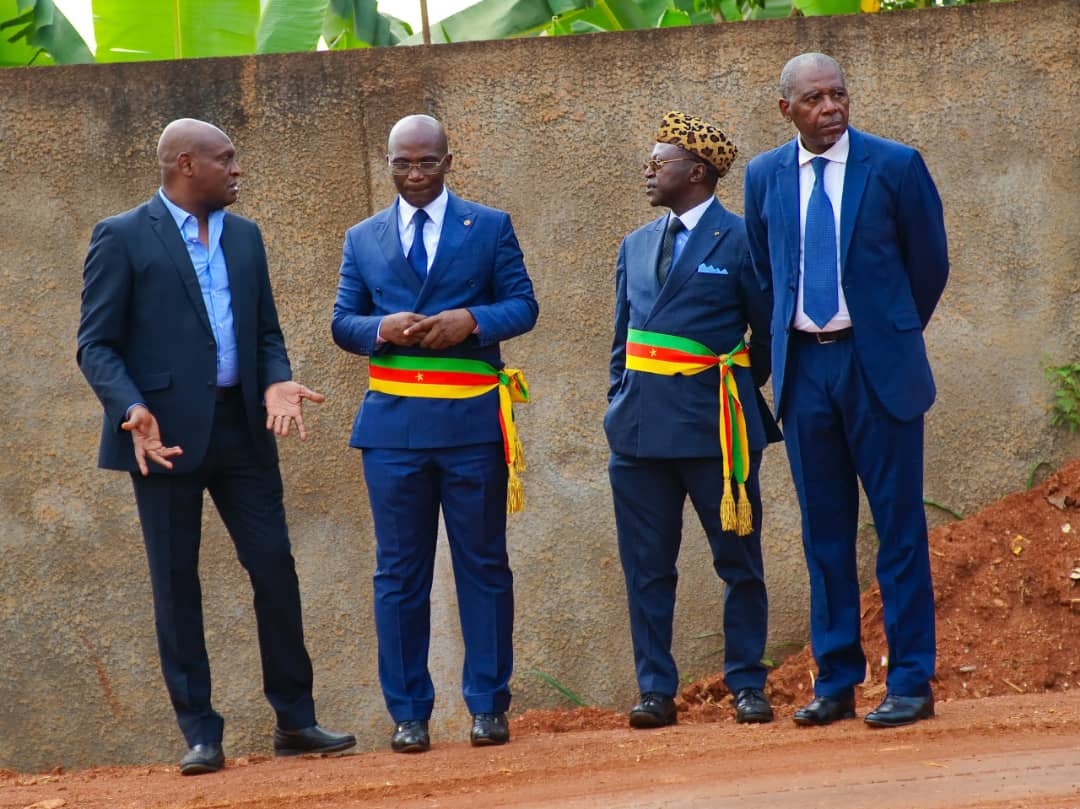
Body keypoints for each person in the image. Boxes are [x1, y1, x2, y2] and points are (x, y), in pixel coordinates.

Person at [77, 119, 355, 775]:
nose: (237, 169)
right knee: (176, 583)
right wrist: (133, 409)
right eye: (225, 159)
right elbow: (96, 344)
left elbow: (266, 332)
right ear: (184, 164)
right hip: (162, 438)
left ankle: (295, 719)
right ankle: (201, 732)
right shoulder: (122, 235)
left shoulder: (246, 236)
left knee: (274, 568)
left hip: (242, 432)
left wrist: (277, 379)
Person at [743, 53, 949, 728]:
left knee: (898, 529)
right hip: (805, 371)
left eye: (838, 94)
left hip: (876, 367)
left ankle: (911, 680)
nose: (830, 107)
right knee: (824, 534)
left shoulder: (895, 165)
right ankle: (835, 680)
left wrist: (889, 333)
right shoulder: (764, 175)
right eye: (814, 99)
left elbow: (929, 264)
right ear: (786, 110)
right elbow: (765, 271)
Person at [332, 114, 538, 753]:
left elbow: (523, 305)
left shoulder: (489, 226)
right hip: (393, 429)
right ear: (388, 164)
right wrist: (380, 329)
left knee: (483, 564)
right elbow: (342, 322)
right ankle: (408, 715)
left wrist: (471, 320)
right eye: (403, 163)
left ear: (448, 162)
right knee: (398, 573)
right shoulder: (363, 237)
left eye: (426, 162)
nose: (415, 174)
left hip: (471, 423)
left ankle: (488, 705)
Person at [605, 111, 782, 729]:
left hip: (715, 430)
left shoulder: (740, 239)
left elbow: (765, 335)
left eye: (661, 162)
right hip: (639, 434)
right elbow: (622, 339)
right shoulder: (635, 244)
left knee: (739, 562)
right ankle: (655, 689)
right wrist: (619, 397)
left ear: (698, 172)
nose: (648, 170)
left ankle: (746, 683)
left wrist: (731, 391)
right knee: (647, 569)